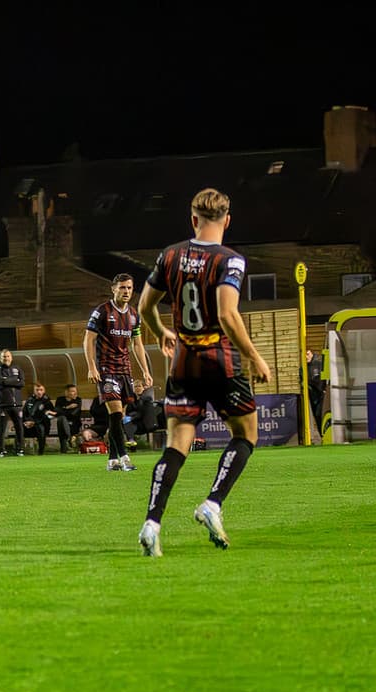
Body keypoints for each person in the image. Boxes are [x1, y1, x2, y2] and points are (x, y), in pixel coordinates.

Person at [136, 188, 272, 558]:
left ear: (193, 219)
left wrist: (161, 331)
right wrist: (255, 356)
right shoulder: (231, 261)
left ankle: (152, 523)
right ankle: (212, 503)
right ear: (227, 221)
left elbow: (144, 306)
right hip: (219, 358)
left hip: (182, 359)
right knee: (246, 433)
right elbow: (227, 314)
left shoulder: (170, 255)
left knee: (176, 444)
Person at [84, 273, 154, 472]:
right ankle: (124, 457)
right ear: (113, 289)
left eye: (129, 288)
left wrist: (146, 371)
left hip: (125, 370)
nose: (126, 292)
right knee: (115, 412)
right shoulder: (102, 312)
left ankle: (112, 459)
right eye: (122, 288)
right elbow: (88, 340)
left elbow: (137, 344)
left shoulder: (133, 315)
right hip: (106, 368)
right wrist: (91, 366)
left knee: (117, 416)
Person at [0, 349, 25, 456]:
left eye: (7, 356)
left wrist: (6, 380)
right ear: (1, 358)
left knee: (19, 427)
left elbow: (21, 383)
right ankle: (2, 450)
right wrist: (13, 380)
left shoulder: (17, 368)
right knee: (2, 428)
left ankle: (19, 449)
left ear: (11, 357)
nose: (6, 358)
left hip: (17, 404)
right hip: (3, 405)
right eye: (4, 357)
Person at [22, 383, 53, 455]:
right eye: (37, 390)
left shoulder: (47, 402)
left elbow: (49, 415)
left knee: (41, 428)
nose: (39, 392)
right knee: (19, 428)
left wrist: (34, 422)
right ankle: (19, 451)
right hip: (29, 424)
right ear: (34, 391)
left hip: (40, 424)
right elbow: (24, 413)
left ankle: (41, 452)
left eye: (41, 390)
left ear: (44, 391)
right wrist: (25, 422)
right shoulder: (29, 400)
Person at [50, 383, 83, 451]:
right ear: (66, 392)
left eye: (75, 391)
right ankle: (69, 439)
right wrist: (68, 407)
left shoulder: (78, 400)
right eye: (72, 391)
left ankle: (69, 439)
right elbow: (56, 412)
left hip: (74, 423)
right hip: (62, 423)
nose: (74, 393)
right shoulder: (60, 400)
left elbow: (73, 414)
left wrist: (62, 410)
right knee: (62, 419)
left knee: (62, 419)